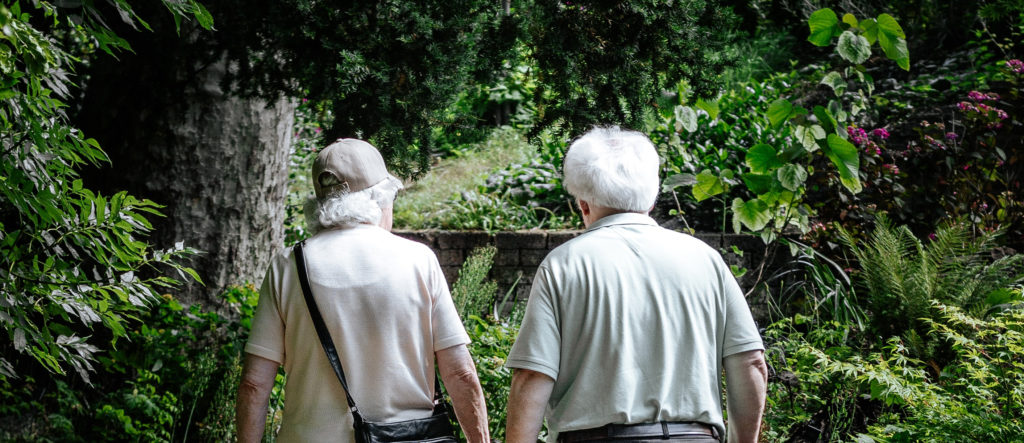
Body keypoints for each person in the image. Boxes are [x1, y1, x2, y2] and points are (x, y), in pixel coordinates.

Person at [504, 126, 767, 443]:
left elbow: (533, 374)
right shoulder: (706, 260)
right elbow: (750, 362)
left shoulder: (564, 265)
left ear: (583, 204)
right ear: (652, 199)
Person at [236, 138, 489, 443]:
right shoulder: (418, 260)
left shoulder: (288, 264)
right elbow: (460, 374)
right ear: (381, 197)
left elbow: (254, 383)